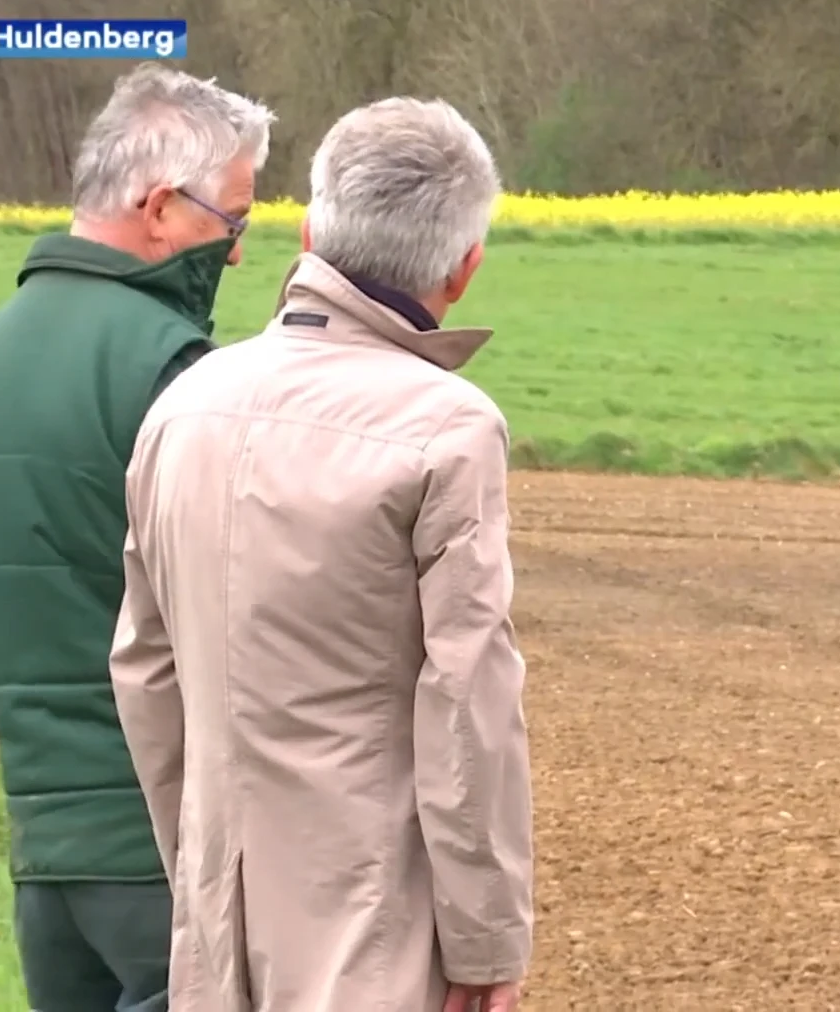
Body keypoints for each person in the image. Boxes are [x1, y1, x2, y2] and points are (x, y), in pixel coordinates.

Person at [109, 96, 535, 1011]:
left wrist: (200, 870)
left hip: (217, 923)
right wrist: (486, 941)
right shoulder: (450, 429)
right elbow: (468, 706)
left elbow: (145, 673)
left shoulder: (183, 405)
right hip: (375, 930)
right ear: (464, 270)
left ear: (306, 233)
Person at [0, 62, 276, 1012]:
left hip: (48, 861)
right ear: (159, 208)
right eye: (230, 222)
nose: (234, 254)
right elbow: (250, 621)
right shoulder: (179, 373)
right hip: (168, 853)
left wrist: (56, 736)